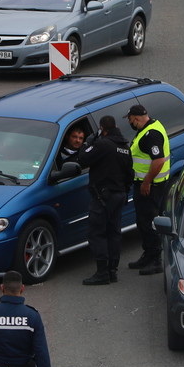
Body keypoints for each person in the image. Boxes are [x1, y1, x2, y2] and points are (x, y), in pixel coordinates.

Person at [73, 115, 133, 285]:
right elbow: (130, 174)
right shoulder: (124, 148)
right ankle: (112, 270)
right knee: (114, 233)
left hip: (103, 197)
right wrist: (125, 191)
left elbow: (83, 159)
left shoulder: (103, 144)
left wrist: (87, 143)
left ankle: (102, 272)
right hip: (119, 195)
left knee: (97, 233)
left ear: (102, 129)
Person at [125, 103, 170, 275]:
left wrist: (146, 182)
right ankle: (148, 254)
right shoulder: (151, 126)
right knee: (142, 222)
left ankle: (156, 259)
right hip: (147, 184)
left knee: (149, 222)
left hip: (151, 186)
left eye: (130, 120)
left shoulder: (151, 135)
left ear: (136, 118)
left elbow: (158, 161)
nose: (130, 123)